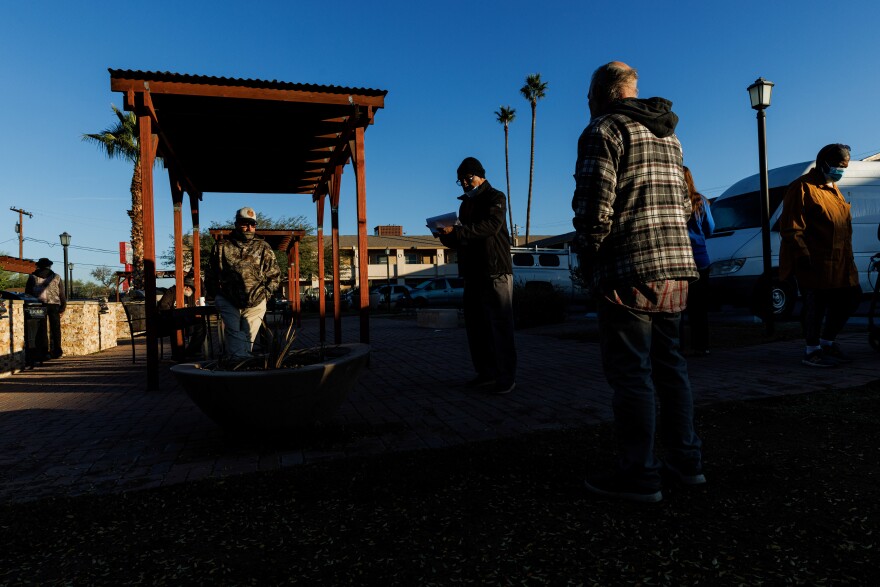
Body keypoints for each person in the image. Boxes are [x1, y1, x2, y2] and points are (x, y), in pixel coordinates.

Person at [572, 61, 702, 503]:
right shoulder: (669, 135)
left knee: (632, 374)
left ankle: (639, 474)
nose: (588, 105)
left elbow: (593, 206)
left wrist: (589, 251)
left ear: (602, 94)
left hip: (629, 268)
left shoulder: (605, 129)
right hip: (676, 266)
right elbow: (686, 203)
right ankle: (686, 463)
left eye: (589, 97)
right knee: (672, 368)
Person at [436, 157, 517, 395]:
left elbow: (490, 226)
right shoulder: (465, 206)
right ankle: (486, 373)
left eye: (468, 178)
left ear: (480, 176)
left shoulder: (496, 197)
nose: (464, 184)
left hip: (495, 271)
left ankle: (506, 377)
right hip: (473, 272)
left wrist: (458, 231)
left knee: (500, 326)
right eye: (460, 180)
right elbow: (464, 238)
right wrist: (445, 235)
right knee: (476, 327)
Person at [779, 143, 861, 368]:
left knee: (852, 297)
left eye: (844, 166)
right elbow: (791, 228)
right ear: (823, 162)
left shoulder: (833, 188)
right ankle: (812, 350)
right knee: (816, 304)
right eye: (838, 165)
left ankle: (827, 342)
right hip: (816, 260)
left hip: (841, 260)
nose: (841, 170)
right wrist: (803, 256)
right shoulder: (802, 188)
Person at [208, 207, 281, 359]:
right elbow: (211, 273)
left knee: (249, 336)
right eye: (244, 223)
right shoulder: (221, 246)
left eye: (252, 224)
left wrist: (266, 294)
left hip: (256, 300)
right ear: (236, 224)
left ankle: (241, 367)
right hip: (228, 300)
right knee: (234, 333)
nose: (249, 228)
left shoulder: (263, 247)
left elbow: (274, 274)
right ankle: (239, 365)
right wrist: (216, 294)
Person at [683, 166, 715, 355]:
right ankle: (701, 346)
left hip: (680, 258)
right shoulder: (701, 201)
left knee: (677, 308)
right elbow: (710, 228)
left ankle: (676, 347)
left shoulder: (673, 202)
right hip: (701, 258)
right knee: (699, 307)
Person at [25, 258, 66, 360]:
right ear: (49, 266)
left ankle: (44, 353)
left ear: (39, 265)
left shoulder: (32, 277)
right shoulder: (57, 277)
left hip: (38, 305)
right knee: (55, 329)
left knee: (41, 330)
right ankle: (57, 351)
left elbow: (27, 293)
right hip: (54, 305)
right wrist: (63, 307)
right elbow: (62, 293)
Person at [157, 277, 206, 360]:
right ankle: (177, 354)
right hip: (169, 321)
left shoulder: (191, 295)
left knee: (201, 324)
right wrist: (173, 314)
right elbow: (163, 306)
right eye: (185, 285)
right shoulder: (172, 292)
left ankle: (191, 351)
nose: (187, 288)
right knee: (176, 325)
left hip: (186, 321)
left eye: (190, 286)